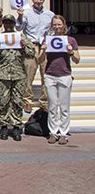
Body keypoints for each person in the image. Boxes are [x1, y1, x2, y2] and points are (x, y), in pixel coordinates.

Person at [0, 14, 33, 141]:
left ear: (14, 24)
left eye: (10, 23)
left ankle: (16, 127)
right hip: (2, 76)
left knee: (17, 102)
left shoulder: (21, 37)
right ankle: (4, 127)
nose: (8, 25)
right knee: (3, 102)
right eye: (6, 23)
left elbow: (31, 53)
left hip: (18, 75)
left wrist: (24, 47)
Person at [40, 15, 80, 145]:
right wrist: (43, 50)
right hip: (50, 75)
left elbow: (77, 60)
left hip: (64, 75)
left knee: (64, 107)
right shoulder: (48, 40)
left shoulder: (71, 40)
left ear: (64, 26)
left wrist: (71, 52)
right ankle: (53, 132)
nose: (57, 27)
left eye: (59, 24)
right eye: (55, 25)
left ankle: (63, 133)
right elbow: (40, 60)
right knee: (52, 106)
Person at [16, 0, 54, 113]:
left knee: (46, 75)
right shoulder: (26, 13)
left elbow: (52, 31)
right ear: (32, 0)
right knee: (28, 74)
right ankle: (27, 101)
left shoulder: (50, 15)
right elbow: (19, 28)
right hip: (31, 46)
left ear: (44, 0)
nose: (38, 2)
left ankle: (44, 101)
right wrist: (20, 16)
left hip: (44, 47)